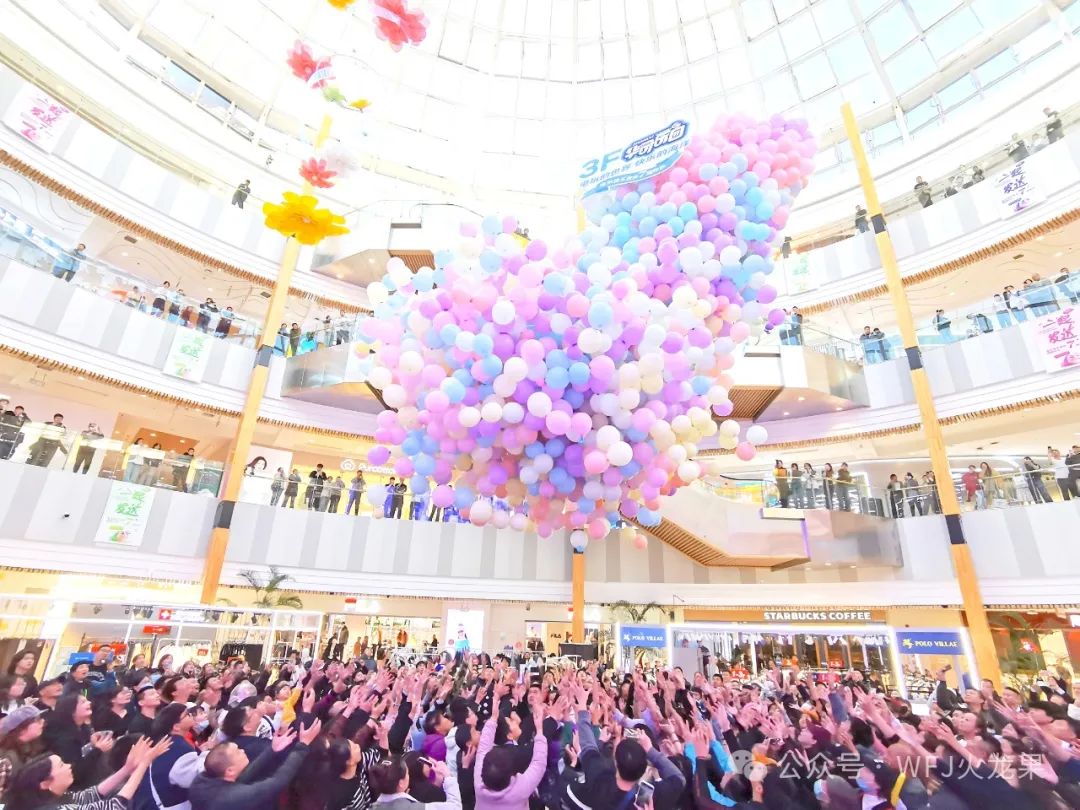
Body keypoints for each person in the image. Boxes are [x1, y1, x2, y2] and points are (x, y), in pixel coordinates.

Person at [4, 736, 169, 810]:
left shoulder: (54, 796)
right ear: (45, 783)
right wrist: (144, 763)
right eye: (61, 765)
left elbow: (89, 796)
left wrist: (127, 768)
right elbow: (114, 806)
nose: (69, 766)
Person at [188, 719, 321, 810]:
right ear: (229, 771)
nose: (242, 750)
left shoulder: (204, 781)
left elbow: (244, 776)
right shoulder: (231, 798)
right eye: (238, 751)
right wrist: (302, 746)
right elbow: (277, 782)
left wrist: (272, 750)